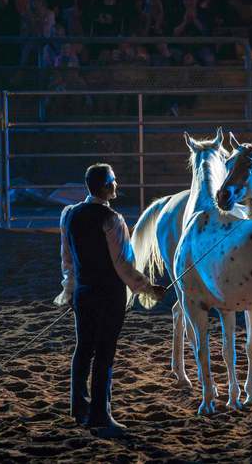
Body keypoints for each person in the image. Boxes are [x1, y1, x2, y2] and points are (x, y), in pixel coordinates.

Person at [54, 164, 167, 438]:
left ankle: (79, 407)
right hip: (108, 295)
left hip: (83, 292)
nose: (117, 185)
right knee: (104, 353)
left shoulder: (68, 215)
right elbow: (123, 265)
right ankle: (100, 415)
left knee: (84, 348)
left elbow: (67, 259)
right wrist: (148, 289)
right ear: (105, 187)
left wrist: (69, 291)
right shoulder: (112, 219)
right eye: (114, 181)